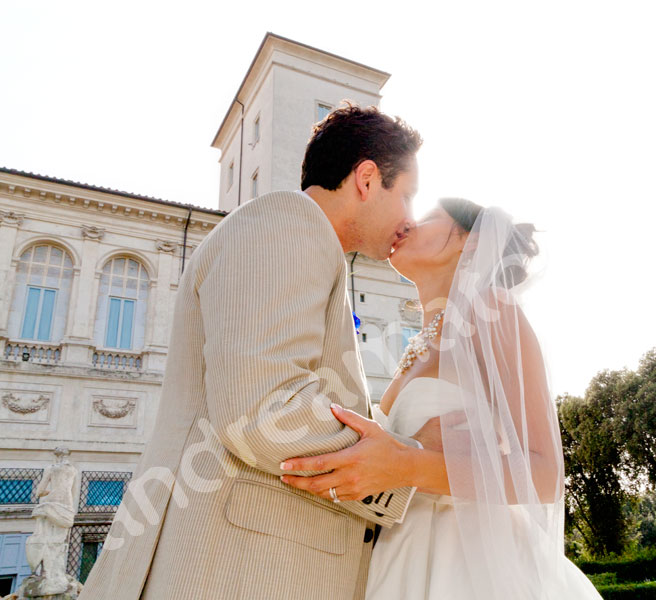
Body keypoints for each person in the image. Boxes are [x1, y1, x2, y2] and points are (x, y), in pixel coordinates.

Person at [80, 105, 431, 600]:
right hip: (235, 571)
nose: (409, 219)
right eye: (408, 196)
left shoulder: (300, 239)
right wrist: (399, 469)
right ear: (368, 179)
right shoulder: (289, 223)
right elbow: (262, 409)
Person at [282, 198, 602, 599]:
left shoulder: (491, 310)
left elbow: (546, 477)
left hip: (470, 560)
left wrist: (410, 464)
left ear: (470, 242)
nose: (407, 225)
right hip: (397, 548)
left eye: (430, 217)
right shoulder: (418, 341)